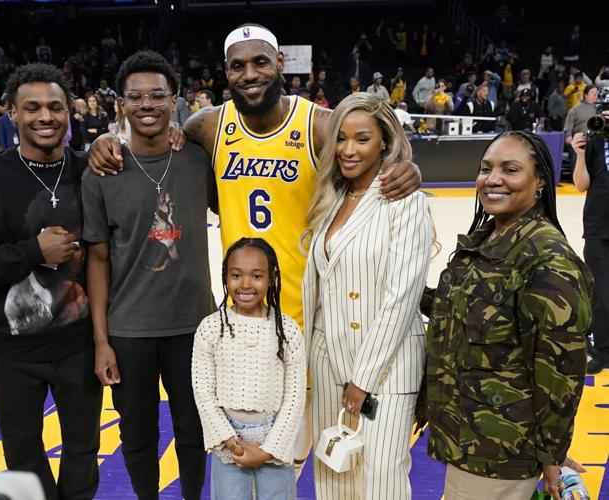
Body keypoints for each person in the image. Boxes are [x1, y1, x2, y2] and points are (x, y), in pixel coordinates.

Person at [88, 23, 420, 475]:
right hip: (242, 320)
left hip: (314, 317)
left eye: (260, 62)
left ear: (280, 64)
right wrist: (106, 142)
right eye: (238, 66)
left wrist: (407, 168)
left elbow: (374, 142)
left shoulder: (318, 125)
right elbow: (172, 166)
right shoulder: (205, 127)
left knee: (305, 458)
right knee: (245, 458)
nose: (250, 74)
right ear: (225, 72)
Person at [0, 63, 102, 500]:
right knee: (24, 457)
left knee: (84, 451)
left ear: (69, 112)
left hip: (79, 344)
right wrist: (33, 252)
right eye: (32, 108)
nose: (44, 117)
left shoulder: (89, 170)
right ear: (12, 112)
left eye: (54, 107)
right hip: (13, 351)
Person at [424, 131, 592, 500]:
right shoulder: (487, 240)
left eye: (510, 169)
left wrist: (552, 453)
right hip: (468, 441)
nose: (493, 179)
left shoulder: (547, 260)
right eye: (486, 168)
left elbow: (561, 371)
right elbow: (454, 311)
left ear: (540, 182)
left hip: (500, 454)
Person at [82, 50, 214, 500]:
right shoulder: (102, 170)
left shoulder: (199, 158)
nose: (147, 105)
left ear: (174, 100)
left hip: (196, 327)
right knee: (137, 436)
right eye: (135, 96)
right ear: (120, 103)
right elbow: (96, 260)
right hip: (130, 330)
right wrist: (101, 341)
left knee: (194, 432)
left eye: (157, 95)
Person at [301, 93, 431, 499]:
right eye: (340, 138)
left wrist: (363, 380)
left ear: (385, 143)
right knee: (334, 477)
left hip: (386, 368)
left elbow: (402, 297)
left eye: (361, 139)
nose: (348, 150)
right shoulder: (331, 197)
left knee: (382, 480)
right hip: (329, 361)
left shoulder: (404, 199)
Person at [192, 238, 306, 500]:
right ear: (225, 277)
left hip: (273, 439)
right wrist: (231, 442)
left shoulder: (286, 330)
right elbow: (204, 393)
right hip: (229, 444)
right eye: (236, 275)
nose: (245, 284)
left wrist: (268, 450)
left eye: (256, 276)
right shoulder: (211, 329)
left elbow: (294, 397)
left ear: (271, 278)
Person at [571, 98, 609, 374]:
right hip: (598, 227)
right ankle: (603, 351)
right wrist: (580, 153)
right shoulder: (594, 143)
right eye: (604, 115)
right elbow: (581, 184)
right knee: (601, 293)